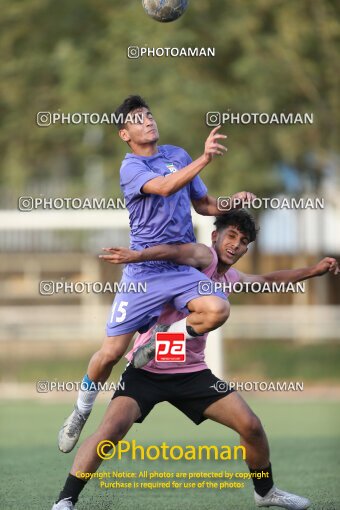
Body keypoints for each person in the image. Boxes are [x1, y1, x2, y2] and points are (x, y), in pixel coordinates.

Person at [52, 210, 338, 510]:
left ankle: (265, 492)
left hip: (191, 373)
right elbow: (175, 251)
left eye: (242, 242)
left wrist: (313, 270)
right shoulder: (202, 257)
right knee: (109, 432)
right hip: (146, 369)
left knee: (251, 426)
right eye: (231, 236)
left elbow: (267, 278)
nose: (235, 245)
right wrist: (137, 255)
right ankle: (65, 500)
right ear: (215, 236)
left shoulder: (229, 278)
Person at [58, 94, 256, 454]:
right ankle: (80, 410)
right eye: (137, 118)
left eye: (149, 114)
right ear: (124, 134)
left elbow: (203, 205)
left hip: (180, 268)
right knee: (110, 354)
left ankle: (159, 339)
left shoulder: (177, 155)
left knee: (216, 309)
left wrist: (231, 202)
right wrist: (206, 158)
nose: (148, 120)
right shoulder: (130, 168)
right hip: (144, 272)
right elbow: (165, 187)